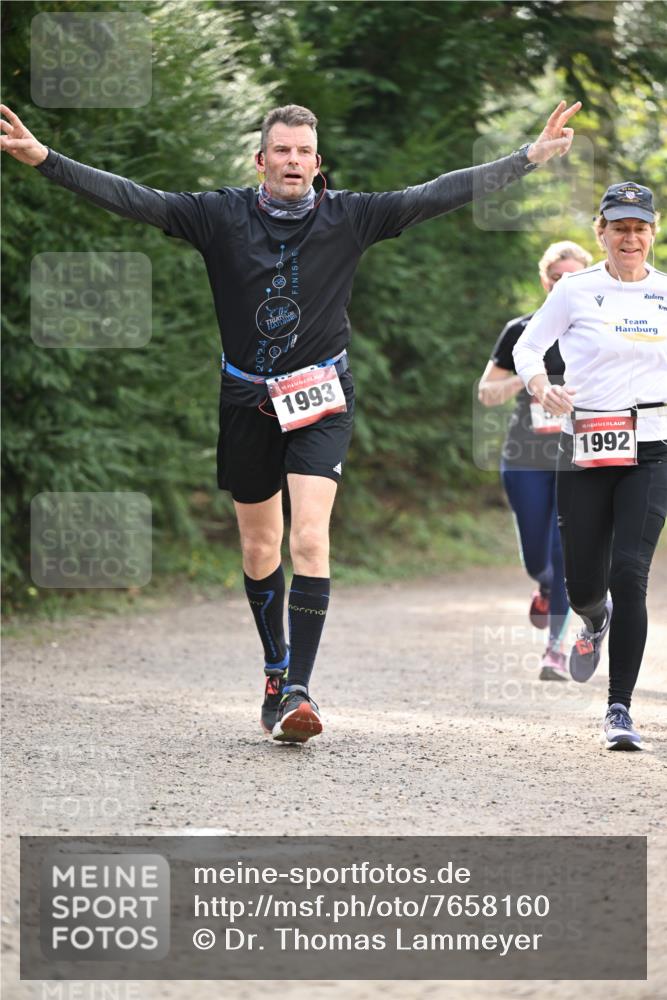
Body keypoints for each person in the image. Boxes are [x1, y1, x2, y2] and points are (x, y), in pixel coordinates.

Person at [1, 99, 581, 744]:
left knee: (307, 539)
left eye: (304, 152)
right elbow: (137, 199)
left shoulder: (350, 217)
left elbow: (438, 193)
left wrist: (528, 157)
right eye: (282, 150)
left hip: (321, 398)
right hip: (247, 398)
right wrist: (45, 159)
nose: (293, 162)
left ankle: (299, 690)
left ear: (317, 162)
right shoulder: (218, 215)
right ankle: (275, 668)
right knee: (257, 548)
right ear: (261, 159)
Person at [513, 181, 666, 750]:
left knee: (630, 573)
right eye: (619, 227)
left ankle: (619, 709)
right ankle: (592, 618)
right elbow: (528, 346)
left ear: (652, 233)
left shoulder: (666, 292)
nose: (630, 237)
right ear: (601, 232)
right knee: (583, 584)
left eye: (639, 227)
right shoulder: (575, 290)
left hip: (652, 446)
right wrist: (540, 385)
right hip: (585, 445)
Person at [478, 241, 592, 680]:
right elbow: (486, 393)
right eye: (556, 276)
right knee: (536, 559)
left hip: (578, 455)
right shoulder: (521, 330)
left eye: (573, 276)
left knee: (564, 551)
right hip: (525, 456)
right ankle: (543, 584)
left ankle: (555, 651)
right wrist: (531, 382)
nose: (564, 283)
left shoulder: (599, 328)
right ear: (545, 281)